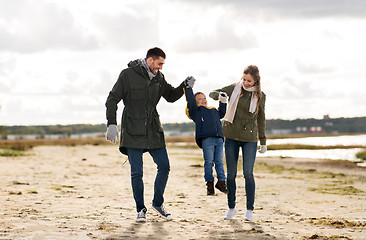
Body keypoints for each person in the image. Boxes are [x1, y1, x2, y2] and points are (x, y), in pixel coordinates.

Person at [105, 47, 196, 222]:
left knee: (165, 166)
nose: (161, 67)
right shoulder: (127, 75)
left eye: (163, 64)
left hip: (153, 129)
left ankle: (158, 203)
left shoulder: (159, 78)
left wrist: (184, 86)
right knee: (136, 173)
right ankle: (141, 209)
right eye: (159, 63)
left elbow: (170, 96)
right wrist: (111, 124)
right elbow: (112, 99)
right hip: (132, 129)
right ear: (150, 60)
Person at [209, 65, 267, 221]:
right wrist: (220, 96)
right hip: (231, 136)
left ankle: (249, 210)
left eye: (249, 81)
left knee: (248, 173)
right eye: (244, 79)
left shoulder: (261, 96)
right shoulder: (235, 88)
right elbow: (212, 93)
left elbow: (261, 118)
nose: (246, 83)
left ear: (256, 81)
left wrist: (263, 141)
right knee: (231, 174)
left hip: (249, 139)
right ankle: (231, 208)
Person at [184, 85, 228, 195]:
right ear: (195, 102)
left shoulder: (213, 110)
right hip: (207, 139)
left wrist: (223, 101)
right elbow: (190, 101)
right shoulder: (196, 112)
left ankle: (221, 182)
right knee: (209, 162)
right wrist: (188, 88)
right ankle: (210, 185)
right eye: (200, 99)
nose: (203, 100)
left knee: (219, 162)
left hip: (219, 139)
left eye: (204, 98)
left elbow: (222, 113)